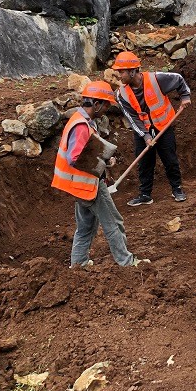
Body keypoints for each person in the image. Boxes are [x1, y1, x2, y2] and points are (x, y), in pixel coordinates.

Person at [51, 81, 144, 268]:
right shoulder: (81, 126)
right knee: (114, 223)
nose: (107, 110)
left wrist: (104, 158)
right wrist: (103, 163)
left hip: (80, 187)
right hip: (89, 187)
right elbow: (74, 157)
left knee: (85, 227)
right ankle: (127, 262)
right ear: (96, 104)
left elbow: (84, 152)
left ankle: (79, 264)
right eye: (106, 105)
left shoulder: (80, 119)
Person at [113, 51, 191, 206]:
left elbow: (178, 79)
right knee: (144, 163)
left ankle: (177, 189)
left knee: (170, 159)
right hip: (143, 130)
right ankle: (145, 194)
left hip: (164, 126)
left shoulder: (156, 79)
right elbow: (132, 119)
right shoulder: (121, 94)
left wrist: (185, 96)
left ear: (132, 71)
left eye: (121, 72)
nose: (119, 76)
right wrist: (146, 136)